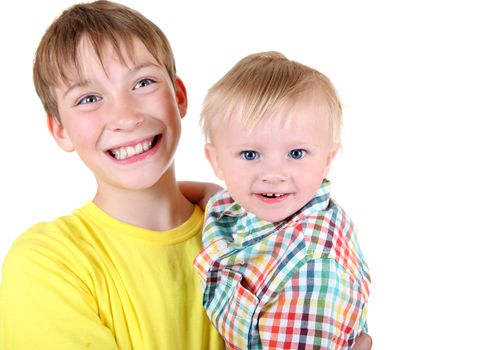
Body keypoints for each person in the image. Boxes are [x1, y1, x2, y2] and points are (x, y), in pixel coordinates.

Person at [0, 1, 225, 349]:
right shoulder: (48, 262)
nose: (125, 116)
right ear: (60, 131)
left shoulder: (241, 235)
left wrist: (233, 206)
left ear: (179, 96)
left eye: (143, 82)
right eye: (89, 98)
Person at [194, 51, 371, 349]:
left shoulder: (313, 271)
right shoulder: (235, 206)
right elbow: (206, 195)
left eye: (296, 153)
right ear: (216, 161)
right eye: (250, 154)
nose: (274, 174)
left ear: (327, 159)